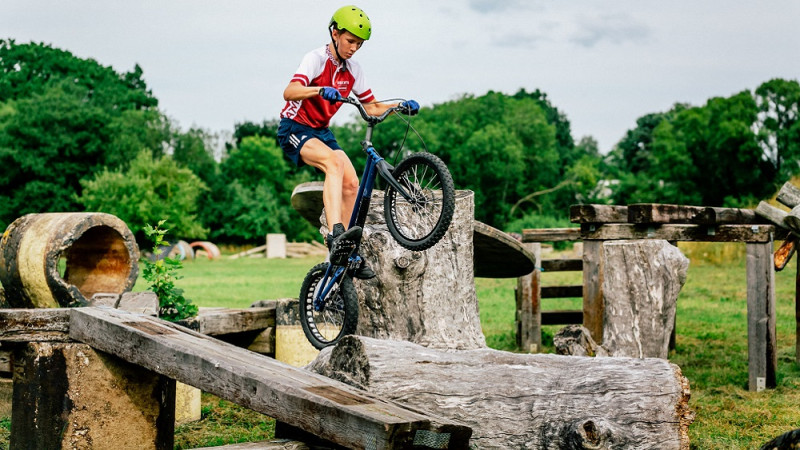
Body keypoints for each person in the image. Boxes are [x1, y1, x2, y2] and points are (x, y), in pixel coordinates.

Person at [277, 5, 419, 279]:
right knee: (333, 163)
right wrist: (319, 89)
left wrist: (401, 105)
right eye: (350, 41)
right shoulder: (316, 58)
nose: (354, 48)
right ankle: (335, 235)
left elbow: (372, 106)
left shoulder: (353, 69)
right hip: (294, 127)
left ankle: (345, 250)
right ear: (335, 33)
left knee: (352, 183)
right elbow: (289, 92)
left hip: (321, 131)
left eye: (359, 44)